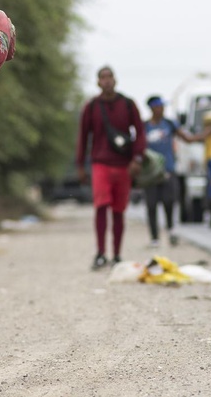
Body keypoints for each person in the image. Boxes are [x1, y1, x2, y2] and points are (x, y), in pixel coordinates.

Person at [76, 66, 146, 270]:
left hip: (124, 165)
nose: (107, 81)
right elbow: (83, 136)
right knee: (101, 206)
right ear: (98, 82)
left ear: (115, 80)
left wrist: (137, 159)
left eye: (110, 77)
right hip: (100, 164)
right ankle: (100, 253)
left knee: (118, 210)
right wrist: (80, 164)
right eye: (103, 78)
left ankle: (116, 254)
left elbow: (140, 133)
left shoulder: (128, 104)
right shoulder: (92, 107)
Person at [143, 95, 208, 247]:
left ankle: (171, 230)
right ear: (153, 108)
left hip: (168, 170)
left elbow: (187, 138)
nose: (162, 109)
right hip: (150, 173)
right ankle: (154, 238)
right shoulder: (144, 126)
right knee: (151, 205)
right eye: (160, 106)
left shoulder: (170, 124)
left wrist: (204, 135)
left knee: (169, 202)